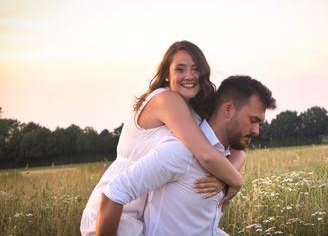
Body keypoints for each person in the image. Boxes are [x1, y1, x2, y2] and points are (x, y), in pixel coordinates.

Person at [80, 41, 245, 236]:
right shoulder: (166, 99)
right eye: (180, 69)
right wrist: (235, 181)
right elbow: (205, 154)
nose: (189, 76)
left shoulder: (195, 109)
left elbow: (238, 146)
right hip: (117, 207)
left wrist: (222, 179)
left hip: (146, 210)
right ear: (167, 74)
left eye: (195, 69)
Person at [96, 75, 276, 236]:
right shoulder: (181, 152)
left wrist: (228, 178)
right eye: (253, 121)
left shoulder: (225, 160)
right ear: (228, 110)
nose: (256, 131)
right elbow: (114, 193)